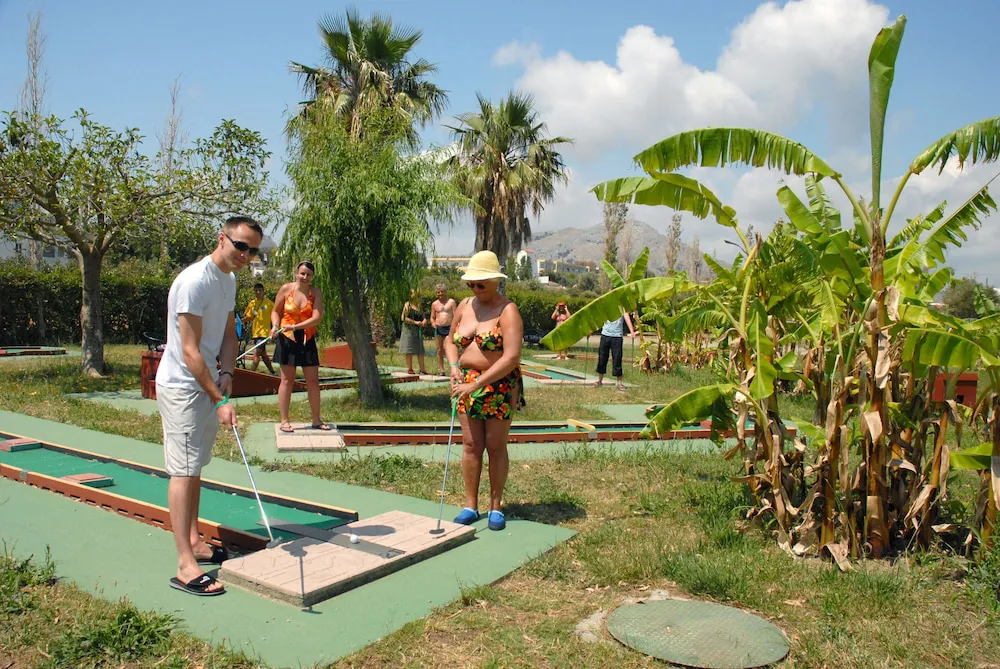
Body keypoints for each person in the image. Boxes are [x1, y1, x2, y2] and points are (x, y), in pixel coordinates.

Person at [155, 215, 264, 597]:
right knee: (182, 471)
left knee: (195, 466)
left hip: (207, 382)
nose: (245, 255)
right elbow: (189, 350)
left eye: (252, 251)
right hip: (182, 387)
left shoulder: (229, 280)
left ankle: (195, 541)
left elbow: (230, 333)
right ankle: (185, 565)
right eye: (240, 246)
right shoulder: (194, 282)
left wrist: (228, 374)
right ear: (222, 239)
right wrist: (220, 400)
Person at [446, 251, 524, 532]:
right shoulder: (465, 305)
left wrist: (476, 384)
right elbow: (450, 340)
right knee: (470, 445)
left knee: (495, 445)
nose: (475, 289)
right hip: (465, 384)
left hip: (497, 384)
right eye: (471, 284)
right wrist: (453, 366)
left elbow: (511, 357)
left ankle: (495, 507)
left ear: (495, 281)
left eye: (481, 284)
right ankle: (470, 505)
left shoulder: (508, 310)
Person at [271, 261, 329, 433]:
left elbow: (317, 318)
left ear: (312, 277)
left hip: (306, 337)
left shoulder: (316, 293)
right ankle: (284, 420)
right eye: (302, 273)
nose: (305, 277)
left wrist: (296, 327)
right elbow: (275, 311)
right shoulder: (286, 289)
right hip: (287, 338)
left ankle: (316, 419)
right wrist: (275, 326)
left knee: (312, 381)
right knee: (286, 380)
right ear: (296, 273)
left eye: (308, 275)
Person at [595, 309, 637, 392]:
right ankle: (599, 381)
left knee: (617, 359)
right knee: (602, 358)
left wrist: (632, 331)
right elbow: (599, 318)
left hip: (617, 336)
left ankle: (620, 383)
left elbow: (626, 316)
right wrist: (591, 330)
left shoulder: (621, 307)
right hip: (605, 335)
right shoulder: (605, 305)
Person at [242, 283, 275, 374]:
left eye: (260, 290)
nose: (258, 292)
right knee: (263, 354)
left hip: (264, 333)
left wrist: (276, 326)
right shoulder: (252, 303)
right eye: (256, 290)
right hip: (256, 332)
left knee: (256, 353)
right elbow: (248, 317)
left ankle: (251, 374)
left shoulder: (269, 303)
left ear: (264, 291)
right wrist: (239, 321)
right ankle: (272, 372)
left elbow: (276, 313)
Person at [399, 288, 429, 375]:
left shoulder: (419, 306)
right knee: (409, 349)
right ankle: (410, 369)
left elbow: (423, 316)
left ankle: (422, 369)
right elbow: (403, 318)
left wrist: (424, 321)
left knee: (420, 349)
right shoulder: (407, 305)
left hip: (418, 331)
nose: (417, 297)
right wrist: (415, 322)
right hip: (409, 330)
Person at [430, 283, 457, 375]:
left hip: (449, 327)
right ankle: (441, 370)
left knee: (448, 348)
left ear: (445, 291)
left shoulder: (451, 302)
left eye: (442, 291)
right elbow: (432, 317)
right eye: (438, 292)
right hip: (439, 327)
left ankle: (453, 368)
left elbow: (456, 316)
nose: (440, 294)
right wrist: (433, 323)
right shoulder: (434, 304)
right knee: (439, 350)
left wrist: (455, 327)